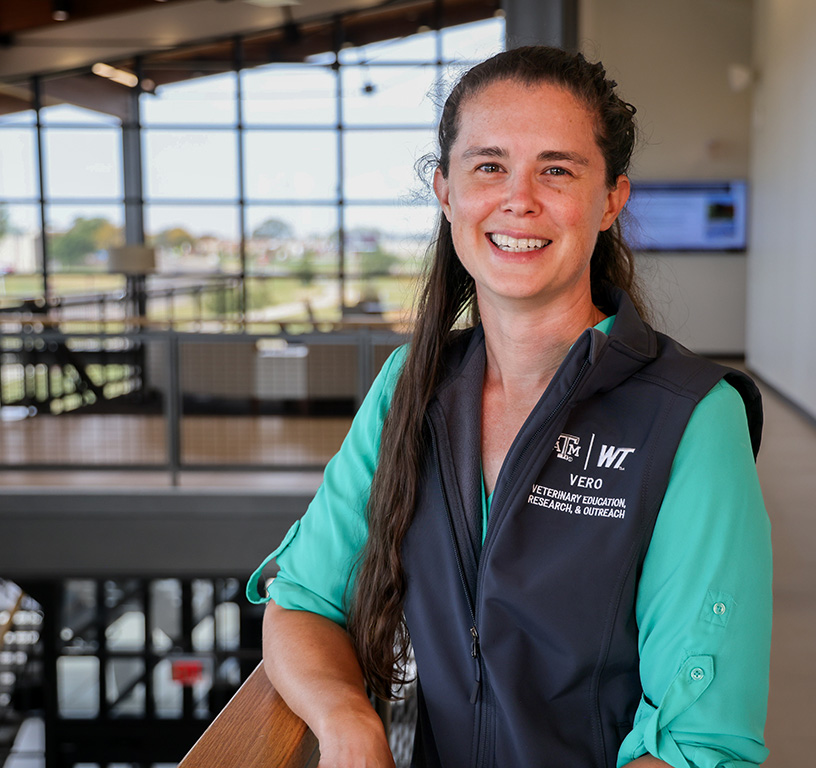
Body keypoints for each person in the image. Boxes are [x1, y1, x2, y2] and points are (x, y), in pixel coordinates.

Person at [247, 46, 771, 768]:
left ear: (612, 200)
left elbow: (699, 743)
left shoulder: (691, 416)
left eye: (556, 169)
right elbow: (305, 600)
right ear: (446, 191)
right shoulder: (412, 387)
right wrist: (348, 722)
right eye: (489, 166)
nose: (518, 199)